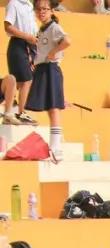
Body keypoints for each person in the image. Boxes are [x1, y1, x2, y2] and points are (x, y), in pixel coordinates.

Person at [23, 0, 68, 161]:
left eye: (45, 9)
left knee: (54, 107)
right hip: (42, 68)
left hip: (51, 68)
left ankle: (57, 147)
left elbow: (67, 41)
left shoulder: (54, 27)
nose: (41, 12)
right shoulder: (42, 29)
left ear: (51, 10)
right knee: (49, 108)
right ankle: (54, 144)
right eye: (38, 9)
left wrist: (53, 52)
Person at [3, 0, 36, 126]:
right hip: (17, 44)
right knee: (26, 79)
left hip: (29, 45)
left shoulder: (29, 5)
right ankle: (21, 112)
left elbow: (32, 27)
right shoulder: (14, 3)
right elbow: (8, 26)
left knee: (23, 80)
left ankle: (12, 109)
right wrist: (27, 36)